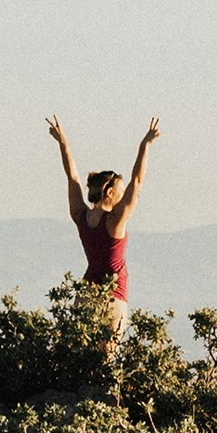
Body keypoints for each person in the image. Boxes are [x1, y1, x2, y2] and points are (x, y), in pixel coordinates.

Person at [47, 114, 160, 304]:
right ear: (109, 194)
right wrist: (145, 145)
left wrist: (63, 143)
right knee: (111, 336)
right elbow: (137, 181)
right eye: (120, 191)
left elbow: (72, 178)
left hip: (86, 293)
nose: (123, 195)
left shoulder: (80, 216)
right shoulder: (115, 221)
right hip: (113, 295)